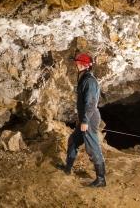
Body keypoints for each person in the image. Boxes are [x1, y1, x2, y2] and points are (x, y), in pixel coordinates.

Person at [57, 52, 106, 187]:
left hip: (90, 118)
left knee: (92, 147)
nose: (76, 65)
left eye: (78, 63)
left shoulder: (89, 81)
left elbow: (90, 103)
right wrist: (81, 119)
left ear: (84, 65)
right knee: (73, 140)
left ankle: (101, 179)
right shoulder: (84, 78)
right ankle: (67, 168)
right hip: (85, 117)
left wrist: (84, 121)